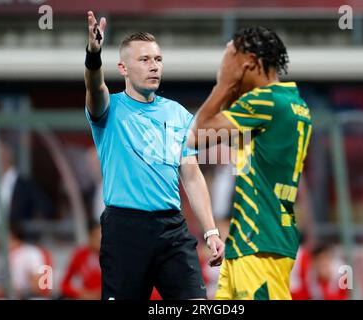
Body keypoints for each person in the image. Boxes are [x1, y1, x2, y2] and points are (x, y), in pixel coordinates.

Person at [84, 11, 224, 300]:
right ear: (123, 68)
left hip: (172, 229)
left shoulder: (177, 114)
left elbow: (192, 176)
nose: (154, 66)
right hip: (124, 229)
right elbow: (94, 86)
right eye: (144, 60)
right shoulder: (109, 109)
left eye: (158, 60)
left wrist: (210, 231)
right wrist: (93, 55)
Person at [188, 26, 312, 300]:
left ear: (250, 63)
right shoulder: (293, 103)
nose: (224, 67)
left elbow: (197, 135)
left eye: (229, 61)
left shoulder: (265, 100)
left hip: (258, 244)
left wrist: (224, 82)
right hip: (252, 242)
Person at [61, 220, 101, 300]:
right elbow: (64, 284)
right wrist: (80, 293)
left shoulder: (111, 257)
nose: (100, 240)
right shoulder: (80, 255)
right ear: (90, 236)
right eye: (96, 236)